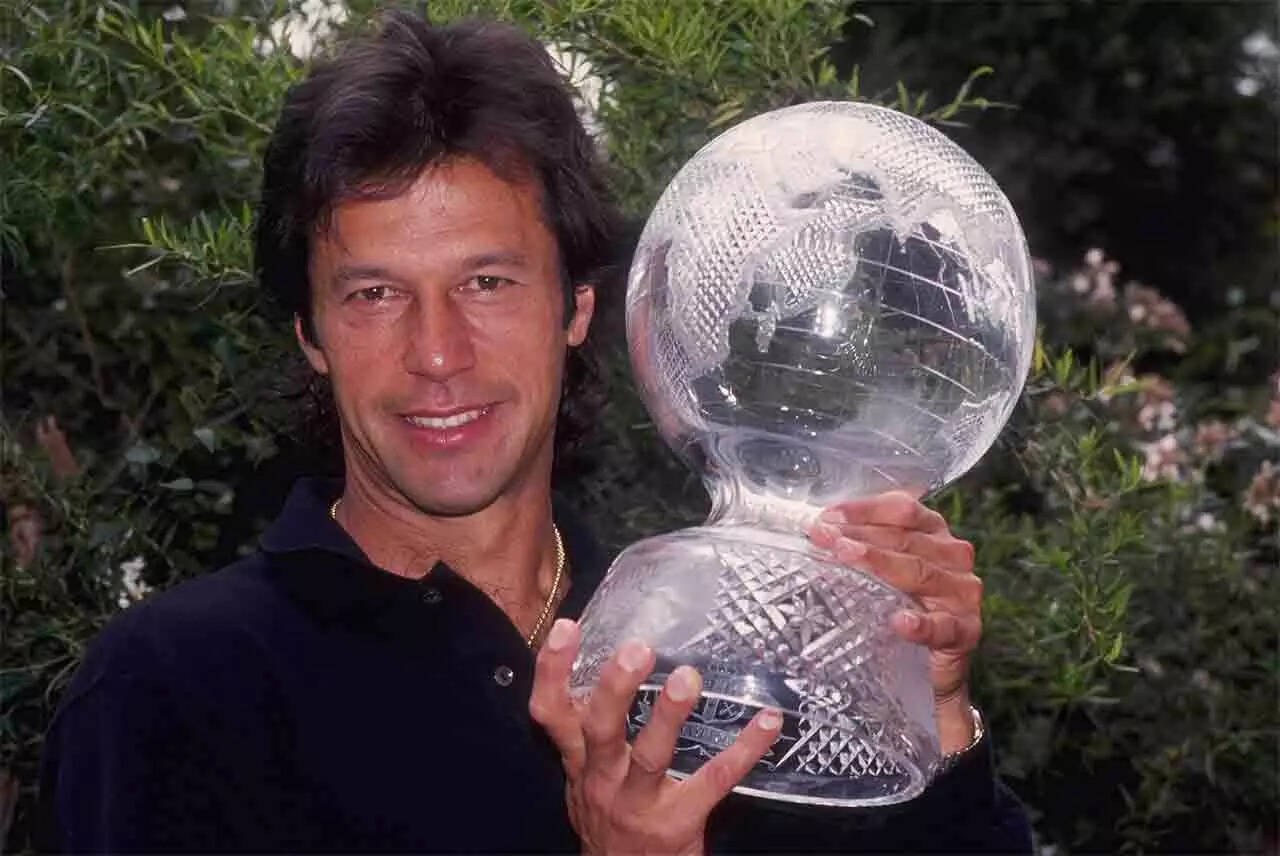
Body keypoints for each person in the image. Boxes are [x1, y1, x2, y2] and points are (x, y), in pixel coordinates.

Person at [37, 12, 1032, 853]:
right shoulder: (177, 690)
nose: (437, 353)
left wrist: (934, 707)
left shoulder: (713, 658)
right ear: (311, 335)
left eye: (487, 282)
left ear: (577, 308)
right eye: (375, 294)